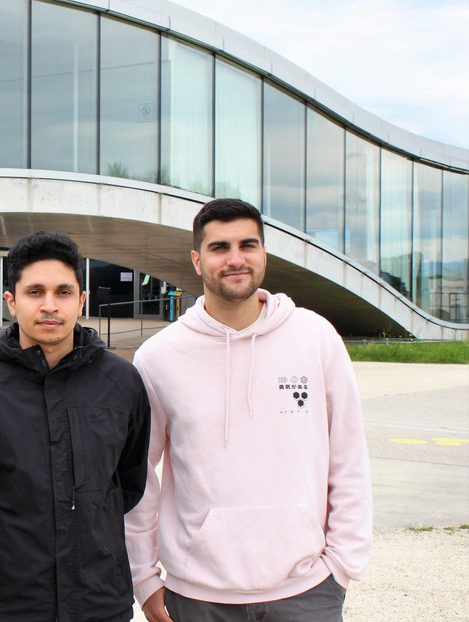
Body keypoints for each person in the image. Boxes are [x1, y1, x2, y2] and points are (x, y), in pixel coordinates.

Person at [125, 198, 372, 622]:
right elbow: (138, 477)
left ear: (264, 253)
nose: (235, 259)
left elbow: (348, 456)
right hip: (198, 595)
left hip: (308, 590)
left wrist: (341, 566)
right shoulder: (159, 357)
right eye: (219, 248)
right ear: (197, 260)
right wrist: (144, 581)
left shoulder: (315, 337)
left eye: (248, 245)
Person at [0, 230, 151, 621]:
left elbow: (127, 484)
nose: (50, 305)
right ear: (11, 301)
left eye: (63, 292)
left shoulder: (122, 383)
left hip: (98, 604)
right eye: (35, 292)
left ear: (82, 300)